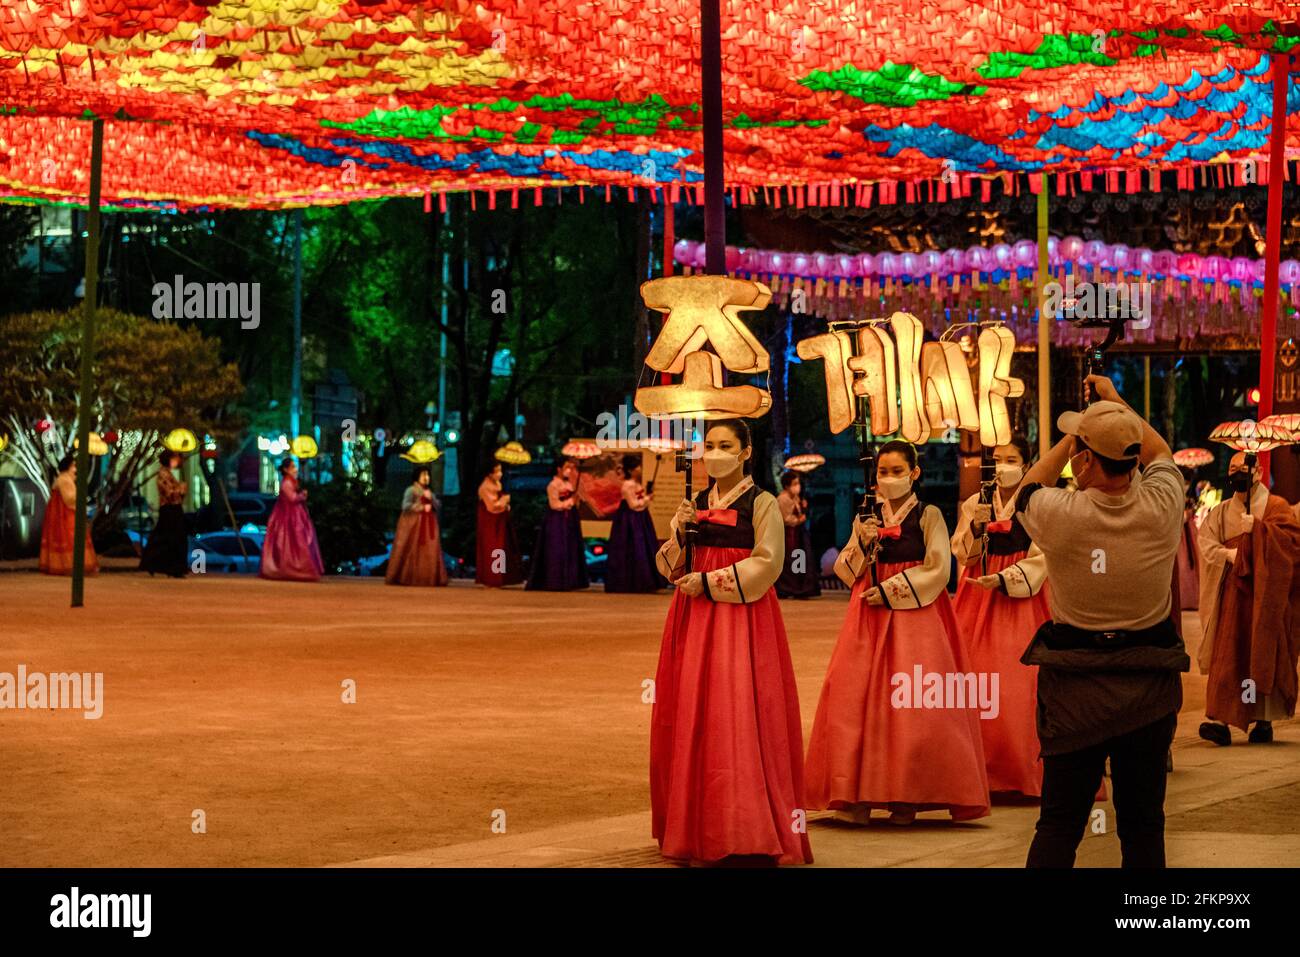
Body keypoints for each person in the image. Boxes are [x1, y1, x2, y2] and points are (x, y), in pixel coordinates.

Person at [1015, 375, 1189, 868]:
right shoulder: (1162, 505)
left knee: (1058, 825)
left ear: (1085, 460)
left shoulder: (1060, 513)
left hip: (1076, 692)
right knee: (1143, 827)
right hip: (1147, 690)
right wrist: (1116, 408)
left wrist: (1077, 434)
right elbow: (1160, 455)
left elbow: (1028, 486)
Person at [650, 419, 812, 865]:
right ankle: (698, 824)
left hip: (742, 616)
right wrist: (679, 532)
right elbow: (670, 565)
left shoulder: (762, 503)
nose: (716, 452)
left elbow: (769, 561)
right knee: (694, 712)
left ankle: (746, 826)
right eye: (710, 445)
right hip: (693, 615)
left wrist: (711, 580)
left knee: (738, 708)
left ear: (745, 452)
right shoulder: (695, 503)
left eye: (726, 445)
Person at [804, 440, 990, 825]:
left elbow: (939, 568)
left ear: (914, 473)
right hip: (867, 614)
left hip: (916, 618)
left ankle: (908, 794)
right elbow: (843, 569)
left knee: (914, 704)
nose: (888, 479)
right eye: (882, 473)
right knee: (854, 696)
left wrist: (891, 589)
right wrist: (862, 544)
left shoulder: (929, 514)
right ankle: (857, 792)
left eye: (895, 471)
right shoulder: (866, 517)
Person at [950, 435, 1050, 798]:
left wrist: (1007, 578)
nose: (1004, 466)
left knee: (1019, 684)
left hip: (1022, 600)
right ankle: (982, 771)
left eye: (1012, 459)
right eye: (999, 459)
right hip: (977, 597)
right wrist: (976, 527)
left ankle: (1021, 770)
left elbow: (1043, 556)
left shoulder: (1036, 502)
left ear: (1026, 462)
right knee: (975, 681)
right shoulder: (976, 502)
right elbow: (962, 552)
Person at [1196, 452, 1300, 746]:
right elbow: (1206, 542)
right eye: (1231, 468)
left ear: (1257, 472)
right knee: (1231, 655)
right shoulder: (1222, 511)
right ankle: (1223, 721)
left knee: (1262, 654)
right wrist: (1231, 554)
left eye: (1242, 468)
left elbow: (1293, 544)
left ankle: (1263, 720)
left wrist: (1260, 530)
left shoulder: (1276, 507)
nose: (1236, 473)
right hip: (1232, 595)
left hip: (1266, 597)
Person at [526, 458, 589, 591]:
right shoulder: (553, 485)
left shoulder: (569, 485)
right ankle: (556, 580)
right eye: (566, 467)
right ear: (558, 469)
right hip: (557, 520)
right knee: (557, 549)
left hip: (569, 520)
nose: (569, 470)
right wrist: (570, 502)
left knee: (570, 548)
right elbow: (554, 505)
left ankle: (570, 580)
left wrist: (575, 500)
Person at [604, 455, 664, 593]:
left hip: (640, 518)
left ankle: (645, 582)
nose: (640, 469)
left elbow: (640, 501)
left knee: (643, 548)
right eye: (637, 466)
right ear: (631, 470)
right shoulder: (627, 485)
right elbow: (634, 505)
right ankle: (632, 583)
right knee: (633, 549)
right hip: (630, 521)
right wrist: (648, 498)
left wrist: (648, 494)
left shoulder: (636, 483)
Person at [259, 458, 324, 582]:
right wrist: (302, 495)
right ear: (285, 469)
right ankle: (295, 569)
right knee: (294, 543)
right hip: (289, 520)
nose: (295, 469)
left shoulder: (291, 482)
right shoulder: (287, 483)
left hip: (294, 517)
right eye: (292, 467)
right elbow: (292, 498)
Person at [386, 466, 448, 587]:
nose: (426, 478)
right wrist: (420, 506)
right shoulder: (411, 490)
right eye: (423, 475)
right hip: (414, 526)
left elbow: (437, 505)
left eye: (428, 475)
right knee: (412, 549)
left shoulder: (429, 491)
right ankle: (409, 576)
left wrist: (432, 500)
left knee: (430, 550)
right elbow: (405, 505)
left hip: (429, 524)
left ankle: (429, 577)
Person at [39, 453, 98, 577]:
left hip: (62, 513)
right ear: (68, 467)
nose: (75, 469)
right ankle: (69, 565)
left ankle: (69, 565)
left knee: (69, 538)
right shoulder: (64, 479)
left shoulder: (63, 478)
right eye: (73, 466)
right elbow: (69, 498)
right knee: (71, 538)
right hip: (65, 514)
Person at [140, 449, 189, 578]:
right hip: (169, 509)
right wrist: (181, 488)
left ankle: (171, 567)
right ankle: (168, 567)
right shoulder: (163, 474)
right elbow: (170, 493)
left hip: (173, 509)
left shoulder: (169, 474)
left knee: (171, 539)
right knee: (169, 539)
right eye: (175, 458)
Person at [476, 463, 523, 587]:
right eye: (497, 471)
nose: (499, 474)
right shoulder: (485, 487)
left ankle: (500, 576)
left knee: (501, 547)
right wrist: (505, 500)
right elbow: (492, 506)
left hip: (500, 519)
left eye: (500, 471)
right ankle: (493, 577)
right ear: (490, 474)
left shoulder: (497, 484)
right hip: (491, 521)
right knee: (493, 547)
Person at [775, 471, 821, 599]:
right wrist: (799, 519)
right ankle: (789, 588)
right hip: (789, 534)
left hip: (798, 534)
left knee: (799, 559)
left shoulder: (795, 498)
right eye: (794, 484)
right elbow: (785, 519)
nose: (797, 486)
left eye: (798, 483)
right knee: (790, 560)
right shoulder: (782, 499)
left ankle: (799, 588)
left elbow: (799, 513)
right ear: (786, 486)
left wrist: (802, 507)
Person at [1174, 466, 1200, 611]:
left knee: (1192, 563)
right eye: (1184, 482)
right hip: (1178, 534)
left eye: (1187, 483)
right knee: (1182, 564)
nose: (1186, 486)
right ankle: (1183, 599)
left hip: (1189, 532)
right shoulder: (1173, 496)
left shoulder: (1188, 498)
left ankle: (1192, 599)